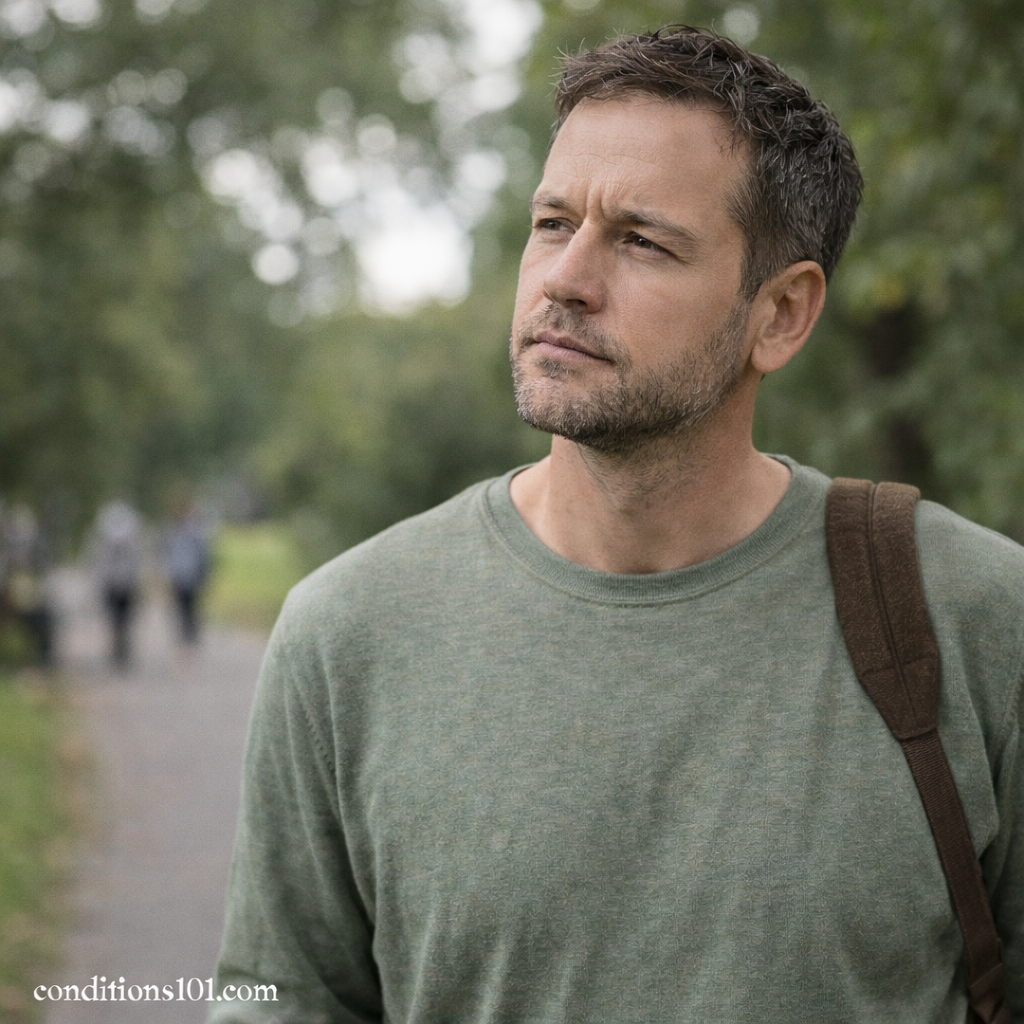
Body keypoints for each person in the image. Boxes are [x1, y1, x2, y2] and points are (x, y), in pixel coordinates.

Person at [210, 27, 1023, 1023]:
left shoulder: (976, 617)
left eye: (640, 240)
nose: (566, 279)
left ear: (780, 315)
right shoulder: (347, 633)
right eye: (553, 223)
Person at [90, 500, 143, 669]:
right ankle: (120, 648)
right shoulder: (131, 538)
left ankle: (119, 647)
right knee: (121, 620)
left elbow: (98, 562)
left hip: (117, 584)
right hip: (122, 584)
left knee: (118, 620)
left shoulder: (104, 537)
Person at [164, 498, 211, 646]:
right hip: (179, 576)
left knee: (192, 606)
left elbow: (202, 555)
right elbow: (168, 556)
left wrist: (203, 575)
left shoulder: (195, 533)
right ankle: (185, 634)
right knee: (182, 607)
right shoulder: (173, 533)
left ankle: (191, 634)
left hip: (192, 576)